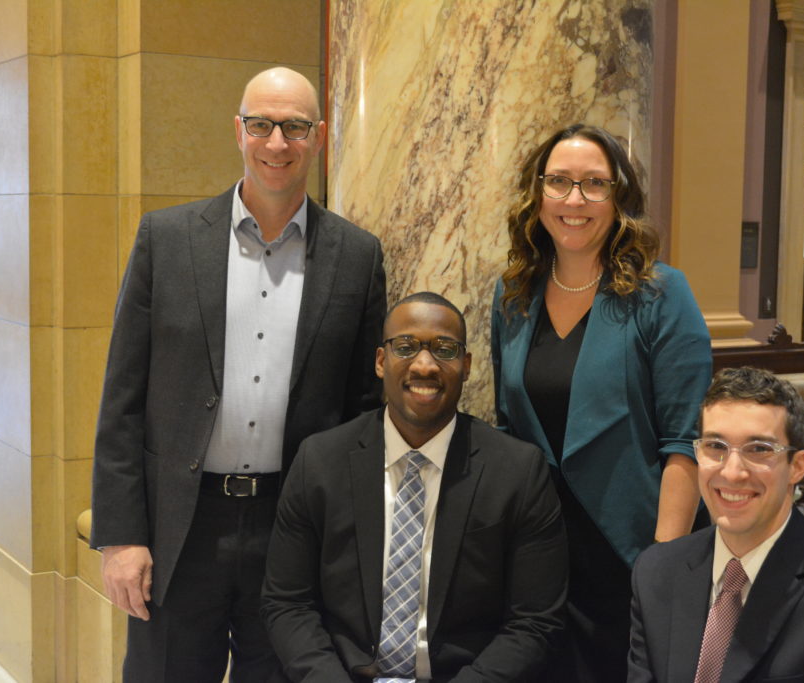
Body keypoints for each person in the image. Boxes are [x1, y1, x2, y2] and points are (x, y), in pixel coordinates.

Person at [90, 67, 386, 682]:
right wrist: (121, 538)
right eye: (262, 125)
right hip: (180, 528)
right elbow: (123, 398)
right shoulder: (166, 240)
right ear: (238, 131)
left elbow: (364, 410)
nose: (277, 144)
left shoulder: (358, 257)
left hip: (293, 527)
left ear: (320, 136)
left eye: (295, 127)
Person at [491, 123, 712, 681]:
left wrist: (661, 569)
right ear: (536, 194)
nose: (574, 200)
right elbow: (507, 426)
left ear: (619, 198)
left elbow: (685, 441)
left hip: (629, 548)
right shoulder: (513, 293)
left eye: (594, 184)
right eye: (559, 182)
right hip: (539, 553)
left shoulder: (661, 294)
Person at [262, 292, 568, 682]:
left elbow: (535, 622)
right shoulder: (319, 462)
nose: (425, 365)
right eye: (405, 347)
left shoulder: (518, 472)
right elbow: (287, 603)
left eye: (444, 349)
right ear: (380, 361)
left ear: (467, 365)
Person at [627, 367, 804, 682]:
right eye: (716, 447)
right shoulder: (656, 572)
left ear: (797, 466)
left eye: (759, 449)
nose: (732, 473)